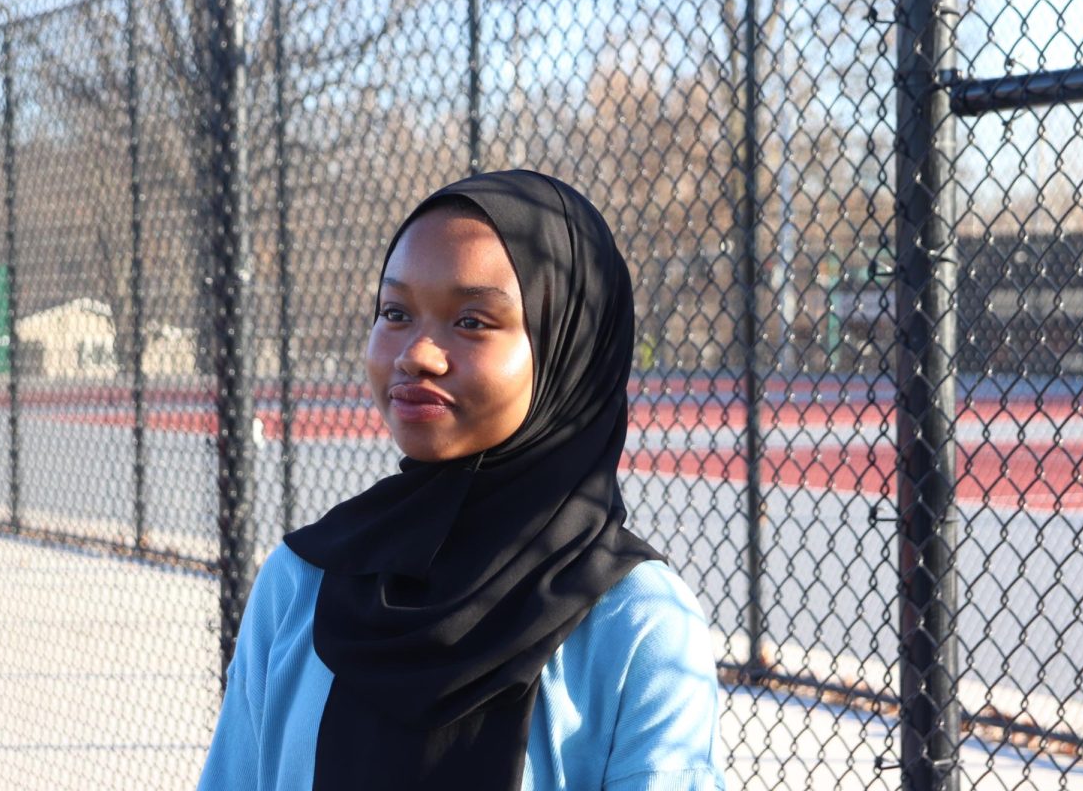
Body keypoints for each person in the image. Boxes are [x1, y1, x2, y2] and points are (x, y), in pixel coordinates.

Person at [198, 170, 727, 790]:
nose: (415, 353)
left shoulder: (637, 626)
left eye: (472, 321)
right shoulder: (299, 586)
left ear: (570, 351)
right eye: (394, 312)